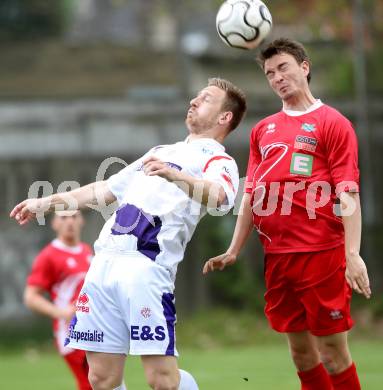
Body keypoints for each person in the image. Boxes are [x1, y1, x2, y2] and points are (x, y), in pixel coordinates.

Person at [11, 77, 247, 390]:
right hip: (104, 266)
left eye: (205, 99)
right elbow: (104, 190)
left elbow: (218, 197)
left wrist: (175, 175)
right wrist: (46, 202)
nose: (193, 101)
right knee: (101, 378)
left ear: (224, 117)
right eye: (196, 96)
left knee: (162, 380)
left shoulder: (219, 160)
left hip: (146, 270)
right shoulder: (161, 151)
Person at [203, 39, 371, 390]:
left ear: (304, 67)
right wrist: (234, 249)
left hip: (321, 256)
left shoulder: (332, 123)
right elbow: (251, 194)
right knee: (301, 355)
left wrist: (352, 254)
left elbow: (348, 193)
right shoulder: (264, 130)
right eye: (270, 73)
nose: (277, 77)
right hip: (278, 258)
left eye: (283, 68)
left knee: (332, 354)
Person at [24, 210, 93, 390]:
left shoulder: (86, 250)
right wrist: (61, 313)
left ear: (81, 220)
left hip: (92, 327)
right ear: (54, 223)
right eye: (63, 217)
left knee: (99, 380)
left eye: (74, 216)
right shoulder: (49, 255)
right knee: (91, 382)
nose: (69, 221)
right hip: (70, 331)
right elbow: (30, 296)